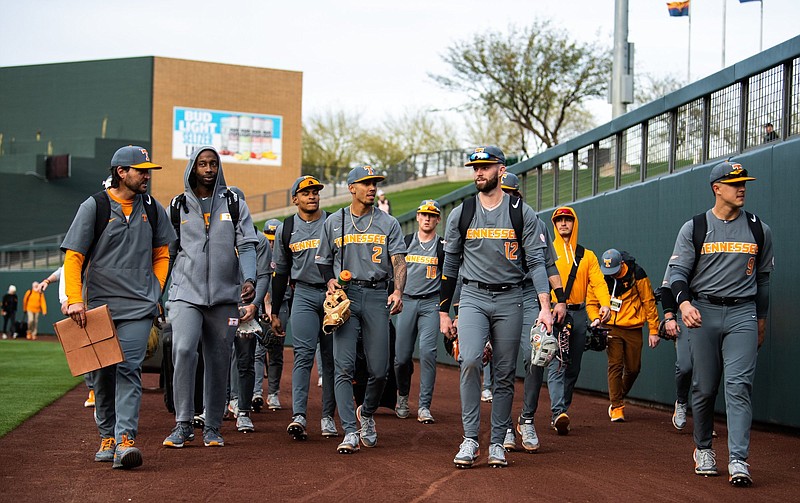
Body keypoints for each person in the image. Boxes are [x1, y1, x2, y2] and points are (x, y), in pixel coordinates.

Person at [439, 146, 554, 469]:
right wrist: (444, 311)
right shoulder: (462, 212)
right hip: (473, 297)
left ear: (501, 170)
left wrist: (544, 307)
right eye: (475, 167)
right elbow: (450, 264)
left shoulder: (521, 212)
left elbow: (536, 262)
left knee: (504, 374)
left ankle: (497, 442)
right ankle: (471, 438)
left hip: (511, 298)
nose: (479, 172)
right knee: (471, 360)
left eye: (486, 167)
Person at [61, 145, 175, 469]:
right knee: (102, 373)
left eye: (148, 170)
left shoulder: (152, 208)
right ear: (121, 172)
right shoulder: (94, 206)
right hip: (99, 306)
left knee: (129, 366)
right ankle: (107, 436)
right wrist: (74, 299)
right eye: (141, 170)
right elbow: (74, 257)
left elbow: (162, 254)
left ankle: (125, 440)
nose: (147, 176)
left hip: (139, 305)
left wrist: (155, 290)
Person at [668, 160, 773, 487]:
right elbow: (676, 276)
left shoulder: (759, 228)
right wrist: (683, 304)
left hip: (743, 313)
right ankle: (703, 448)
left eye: (744, 183)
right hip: (704, 312)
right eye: (735, 183)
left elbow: (764, 280)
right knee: (704, 387)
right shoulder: (695, 227)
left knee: (739, 387)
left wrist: (761, 320)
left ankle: (739, 459)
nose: (742, 188)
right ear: (717, 188)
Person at [162, 145, 258, 449]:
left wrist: (250, 278)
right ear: (192, 167)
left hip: (223, 296)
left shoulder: (234, 203)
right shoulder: (177, 206)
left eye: (213, 164)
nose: (208, 169)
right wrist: (162, 293)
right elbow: (169, 253)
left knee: (218, 360)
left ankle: (213, 426)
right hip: (185, 294)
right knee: (184, 351)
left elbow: (247, 245)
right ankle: (183, 423)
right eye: (202, 164)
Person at [315, 165, 407, 454]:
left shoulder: (388, 222)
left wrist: (398, 290)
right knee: (343, 367)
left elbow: (399, 262)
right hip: (346, 296)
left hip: (378, 295)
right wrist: (329, 279)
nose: (372, 188)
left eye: (375, 183)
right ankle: (350, 431)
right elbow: (322, 260)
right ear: (351, 187)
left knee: (380, 370)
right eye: (365, 183)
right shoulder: (334, 221)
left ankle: (366, 413)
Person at [494, 173, 566, 453]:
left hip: (529, 292)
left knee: (537, 355)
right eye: (505, 192)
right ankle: (505, 427)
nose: (510, 197)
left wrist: (559, 300)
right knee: (504, 362)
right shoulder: (489, 222)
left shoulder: (532, 220)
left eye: (514, 192)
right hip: (500, 293)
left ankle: (527, 418)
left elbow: (548, 265)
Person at [271, 175, 337, 440]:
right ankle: (299, 415)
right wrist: (275, 311)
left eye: (315, 192)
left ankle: (328, 417)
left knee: (332, 360)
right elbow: (280, 273)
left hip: (333, 297)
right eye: (306, 192)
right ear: (295, 199)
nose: (312, 196)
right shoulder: (286, 228)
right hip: (304, 295)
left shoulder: (333, 222)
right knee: (303, 356)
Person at [587, 249, 660, 423]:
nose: (611, 275)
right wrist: (596, 318)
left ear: (622, 264)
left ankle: (617, 396)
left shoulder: (637, 273)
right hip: (611, 327)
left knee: (633, 369)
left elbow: (648, 301)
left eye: (614, 271)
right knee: (615, 365)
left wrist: (654, 330)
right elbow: (591, 302)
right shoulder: (600, 276)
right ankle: (617, 407)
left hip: (633, 326)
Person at [224, 186, 271, 434]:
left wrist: (255, 304)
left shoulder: (259, 240)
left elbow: (263, 275)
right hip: (219, 305)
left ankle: (243, 410)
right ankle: (217, 404)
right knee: (215, 358)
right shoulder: (216, 235)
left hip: (245, 308)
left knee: (245, 360)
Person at [394, 199, 444, 424]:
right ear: (417, 217)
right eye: (423, 214)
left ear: (437, 219)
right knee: (402, 357)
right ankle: (402, 397)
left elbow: (451, 278)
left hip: (431, 304)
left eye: (432, 215)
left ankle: (424, 405)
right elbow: (393, 270)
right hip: (406, 302)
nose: (427, 218)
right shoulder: (405, 242)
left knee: (428, 354)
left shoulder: (442, 246)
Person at [37, 267, 95, 407]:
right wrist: (48, 282)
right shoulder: (74, 256)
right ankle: (93, 391)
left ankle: (107, 391)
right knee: (85, 350)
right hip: (79, 308)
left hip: (97, 304)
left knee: (105, 349)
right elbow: (63, 270)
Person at [257, 219, 287, 412]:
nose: (271, 243)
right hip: (259, 304)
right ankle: (256, 392)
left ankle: (273, 393)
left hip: (282, 304)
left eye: (274, 240)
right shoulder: (258, 251)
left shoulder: (286, 252)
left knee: (276, 350)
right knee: (258, 351)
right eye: (269, 239)